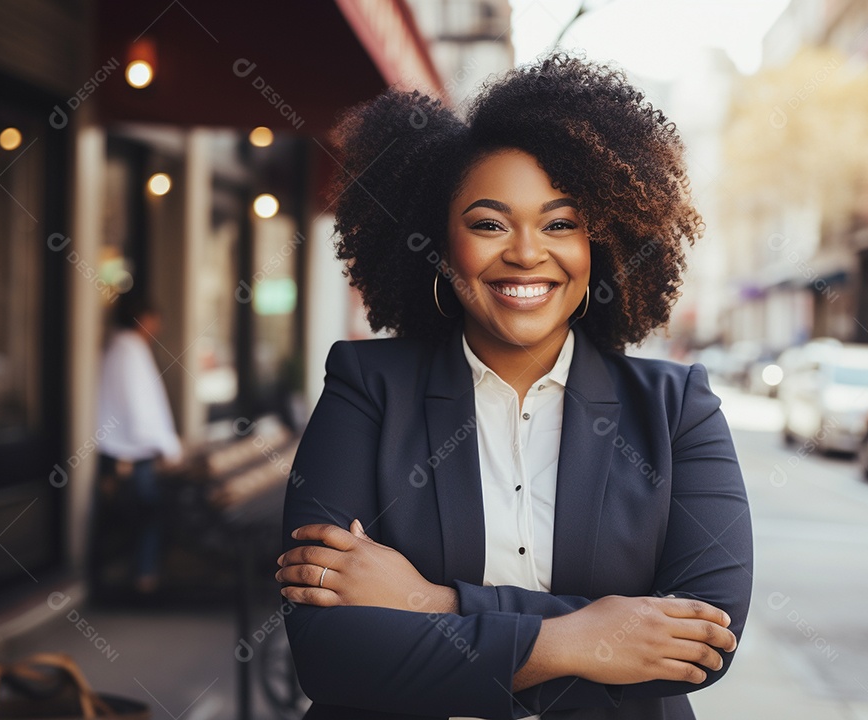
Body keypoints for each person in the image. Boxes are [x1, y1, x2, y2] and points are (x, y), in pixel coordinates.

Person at [276, 53, 753, 720]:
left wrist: (430, 603)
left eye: (560, 223)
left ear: (600, 244)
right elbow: (330, 653)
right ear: (442, 245)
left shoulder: (677, 410)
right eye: (489, 223)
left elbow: (702, 643)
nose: (527, 252)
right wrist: (580, 641)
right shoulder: (366, 388)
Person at [95, 293, 183, 594]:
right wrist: (166, 446)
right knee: (147, 514)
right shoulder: (129, 350)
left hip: (124, 448)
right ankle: (143, 578)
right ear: (142, 319)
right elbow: (139, 408)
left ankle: (139, 575)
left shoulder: (122, 347)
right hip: (131, 451)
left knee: (137, 515)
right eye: (154, 318)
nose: (158, 325)